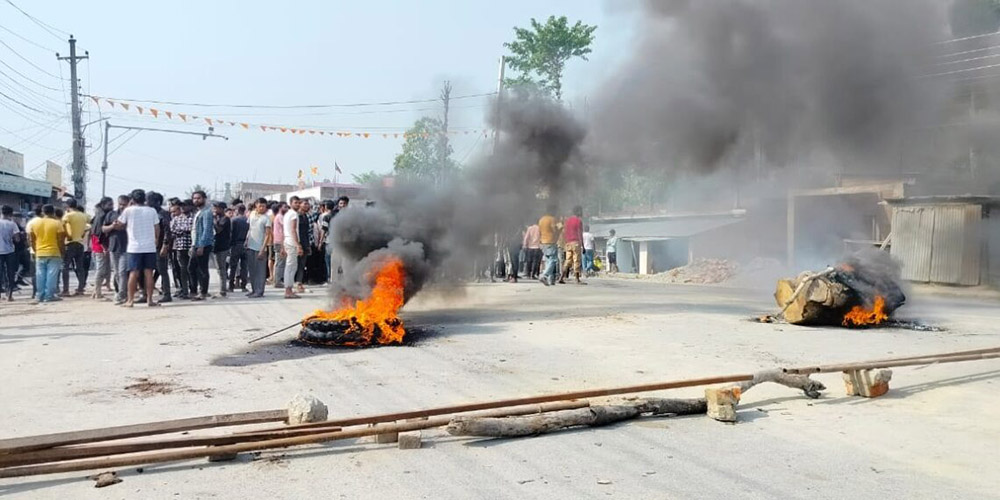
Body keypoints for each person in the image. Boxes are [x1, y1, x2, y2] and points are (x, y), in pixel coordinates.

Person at [115, 189, 161, 307]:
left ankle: (130, 301)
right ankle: (150, 300)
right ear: (144, 199)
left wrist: (128, 206)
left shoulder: (128, 210)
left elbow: (119, 224)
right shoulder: (152, 211)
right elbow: (157, 227)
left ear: (133, 199)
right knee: (149, 274)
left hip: (134, 247)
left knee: (133, 274)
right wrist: (156, 240)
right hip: (149, 246)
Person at [27, 204, 65, 303]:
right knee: (51, 275)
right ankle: (49, 295)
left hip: (40, 252)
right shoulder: (57, 223)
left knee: (40, 275)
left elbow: (31, 239)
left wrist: (35, 250)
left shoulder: (34, 223)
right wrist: (62, 252)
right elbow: (61, 240)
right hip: (54, 252)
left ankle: (39, 295)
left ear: (43, 212)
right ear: (53, 212)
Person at [103, 195, 130, 305]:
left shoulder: (130, 214)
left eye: (124, 204)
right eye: (120, 204)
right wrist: (112, 226)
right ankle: (120, 292)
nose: (122, 206)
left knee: (122, 271)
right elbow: (104, 228)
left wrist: (123, 226)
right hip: (114, 246)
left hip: (127, 246)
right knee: (117, 272)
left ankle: (122, 294)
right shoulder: (111, 214)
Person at [61, 197, 90, 296]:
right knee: (80, 267)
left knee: (65, 267)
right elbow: (90, 223)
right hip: (80, 244)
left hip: (69, 244)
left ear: (68, 206)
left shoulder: (67, 216)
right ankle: (80, 288)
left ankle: (66, 290)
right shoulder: (84, 216)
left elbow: (63, 228)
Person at [147, 191, 173, 304]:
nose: (147, 203)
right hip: (149, 245)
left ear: (157, 202)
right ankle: (147, 294)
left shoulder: (162, 214)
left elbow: (168, 230)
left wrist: (165, 245)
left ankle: (167, 293)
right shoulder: (150, 213)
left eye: (149, 200)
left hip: (160, 246)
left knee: (162, 270)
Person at [189, 190, 214, 301]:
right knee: (192, 268)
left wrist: (201, 245)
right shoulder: (197, 212)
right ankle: (195, 291)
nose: (196, 200)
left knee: (202, 269)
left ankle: (203, 292)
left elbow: (207, 230)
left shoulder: (207, 212)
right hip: (196, 244)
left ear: (204, 199)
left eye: (198, 198)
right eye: (194, 198)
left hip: (202, 244)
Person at [245, 198, 273, 298]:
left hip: (260, 248)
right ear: (256, 205)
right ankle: (253, 289)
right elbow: (250, 229)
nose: (262, 208)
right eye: (260, 206)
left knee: (260, 271)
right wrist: (246, 240)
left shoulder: (266, 218)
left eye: (264, 206)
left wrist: (263, 249)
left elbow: (267, 235)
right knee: (252, 270)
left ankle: (259, 291)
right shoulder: (252, 214)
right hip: (250, 246)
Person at [169, 200, 194, 299]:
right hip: (180, 247)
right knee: (182, 270)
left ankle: (193, 289)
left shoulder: (193, 218)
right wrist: (184, 231)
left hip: (191, 246)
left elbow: (192, 229)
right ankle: (184, 290)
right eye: (182, 206)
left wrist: (182, 230)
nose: (183, 208)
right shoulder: (176, 219)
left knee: (191, 269)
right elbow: (173, 230)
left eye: (185, 206)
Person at [90, 197, 113, 300]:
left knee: (102, 269)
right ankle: (98, 292)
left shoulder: (98, 215)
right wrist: (104, 247)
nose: (112, 207)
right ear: (103, 205)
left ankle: (96, 291)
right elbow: (100, 233)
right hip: (100, 246)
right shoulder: (102, 216)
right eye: (109, 205)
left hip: (97, 245)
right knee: (101, 270)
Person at [282, 196, 302, 299]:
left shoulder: (287, 214)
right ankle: (288, 290)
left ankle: (288, 289)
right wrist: (298, 245)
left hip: (287, 241)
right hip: (292, 242)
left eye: (299, 203)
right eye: (295, 203)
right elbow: (293, 230)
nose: (298, 204)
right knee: (291, 267)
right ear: (290, 203)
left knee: (290, 267)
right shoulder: (293, 214)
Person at [212, 201, 232, 297]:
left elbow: (218, 229)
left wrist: (214, 219)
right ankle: (222, 288)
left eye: (217, 208)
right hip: (216, 246)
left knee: (222, 269)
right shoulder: (218, 218)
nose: (215, 210)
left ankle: (222, 290)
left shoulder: (225, 219)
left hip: (222, 247)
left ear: (222, 209)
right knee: (219, 269)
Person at [0, 205, 20, 301]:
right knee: (10, 273)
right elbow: (17, 239)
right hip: (9, 251)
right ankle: (10, 295)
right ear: (10, 214)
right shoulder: (12, 224)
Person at [228, 204, 249, 292]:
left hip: (236, 244)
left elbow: (231, 234)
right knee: (244, 266)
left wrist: (230, 245)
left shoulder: (234, 220)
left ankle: (231, 286)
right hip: (246, 244)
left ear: (237, 210)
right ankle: (243, 285)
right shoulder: (248, 220)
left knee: (233, 266)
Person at [561, 206, 585, 284]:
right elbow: (580, 233)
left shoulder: (567, 221)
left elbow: (565, 232)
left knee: (567, 260)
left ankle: (561, 277)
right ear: (578, 212)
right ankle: (577, 279)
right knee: (576, 260)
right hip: (576, 242)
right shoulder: (578, 221)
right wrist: (583, 246)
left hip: (568, 242)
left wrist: (565, 242)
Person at [538, 205, 559, 286]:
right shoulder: (552, 219)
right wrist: (559, 228)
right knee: (553, 260)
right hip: (551, 241)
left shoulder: (541, 219)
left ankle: (550, 280)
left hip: (543, 241)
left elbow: (540, 231)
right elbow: (554, 230)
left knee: (547, 260)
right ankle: (544, 275)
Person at [295, 199, 312, 291]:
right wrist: (298, 244)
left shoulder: (305, 216)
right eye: (305, 204)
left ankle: (299, 283)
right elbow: (295, 232)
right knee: (295, 265)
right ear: (300, 205)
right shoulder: (296, 216)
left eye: (307, 204)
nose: (307, 206)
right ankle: (291, 284)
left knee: (301, 265)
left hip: (305, 243)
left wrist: (308, 245)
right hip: (297, 244)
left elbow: (306, 232)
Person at [271, 202, 287, 288]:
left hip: (278, 241)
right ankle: (277, 281)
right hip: (280, 241)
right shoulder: (280, 217)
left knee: (279, 262)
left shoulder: (278, 217)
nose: (287, 209)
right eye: (285, 207)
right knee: (280, 262)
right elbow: (286, 227)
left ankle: (277, 280)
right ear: (280, 207)